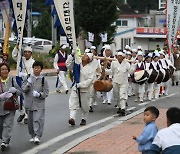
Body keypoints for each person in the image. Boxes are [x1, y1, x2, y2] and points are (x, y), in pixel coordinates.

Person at [21, 61, 49, 144]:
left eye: (38, 68)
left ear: (41, 69)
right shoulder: (28, 77)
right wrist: (28, 84)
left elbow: (46, 93)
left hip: (39, 104)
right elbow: (23, 89)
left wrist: (39, 94)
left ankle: (37, 136)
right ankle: (32, 135)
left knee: (38, 120)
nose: (36, 69)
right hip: (29, 103)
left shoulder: (43, 80)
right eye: (35, 68)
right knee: (30, 121)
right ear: (33, 68)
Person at [66, 50, 93, 126]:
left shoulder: (90, 69)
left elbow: (89, 81)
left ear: (89, 60)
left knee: (85, 106)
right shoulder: (77, 65)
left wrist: (80, 85)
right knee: (73, 103)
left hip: (84, 90)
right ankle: (72, 118)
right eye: (84, 55)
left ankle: (84, 118)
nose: (84, 56)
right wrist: (71, 55)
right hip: (75, 88)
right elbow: (67, 65)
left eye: (86, 56)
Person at [105, 51, 135, 116]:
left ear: (123, 57)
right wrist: (105, 71)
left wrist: (133, 65)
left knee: (122, 95)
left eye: (120, 56)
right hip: (115, 81)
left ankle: (123, 108)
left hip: (124, 82)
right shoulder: (113, 63)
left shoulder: (126, 64)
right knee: (117, 95)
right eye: (118, 56)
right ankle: (119, 107)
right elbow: (111, 71)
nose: (119, 57)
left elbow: (131, 71)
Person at [0, 63, 22, 150]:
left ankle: (4, 142)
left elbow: (20, 92)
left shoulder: (12, 80)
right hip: (0, 108)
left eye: (6, 69)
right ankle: (5, 138)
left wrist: (15, 91)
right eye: (2, 69)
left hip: (10, 107)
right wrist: (1, 96)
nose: (4, 71)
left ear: (8, 71)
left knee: (7, 125)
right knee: (1, 126)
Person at [12, 44, 35, 124]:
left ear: (31, 53)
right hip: (19, 82)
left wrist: (25, 75)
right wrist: (16, 48)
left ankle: (26, 116)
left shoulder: (33, 62)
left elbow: (33, 73)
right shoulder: (21, 59)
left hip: (28, 83)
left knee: (26, 100)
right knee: (17, 99)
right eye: (25, 52)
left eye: (28, 52)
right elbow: (14, 56)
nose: (26, 53)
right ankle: (22, 113)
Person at [88, 46, 102, 112]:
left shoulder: (96, 61)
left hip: (93, 79)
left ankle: (90, 105)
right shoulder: (83, 61)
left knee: (91, 93)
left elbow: (99, 70)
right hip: (84, 80)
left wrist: (100, 74)